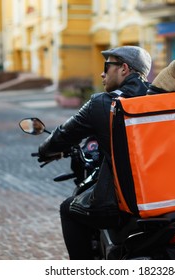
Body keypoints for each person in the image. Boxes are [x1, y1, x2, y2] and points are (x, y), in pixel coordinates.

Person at [37, 46, 152, 259]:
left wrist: (45, 149)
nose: (102, 73)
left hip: (124, 200)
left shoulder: (101, 103)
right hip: (168, 194)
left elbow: (65, 134)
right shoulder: (162, 98)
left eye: (106, 66)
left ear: (124, 69)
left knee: (67, 210)